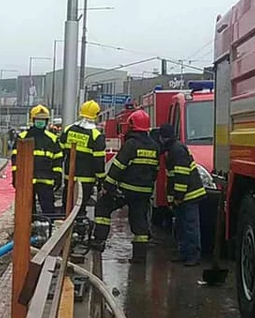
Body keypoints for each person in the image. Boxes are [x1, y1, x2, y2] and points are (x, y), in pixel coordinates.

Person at [91, 109, 159, 263]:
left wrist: (107, 187)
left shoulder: (131, 145)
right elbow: (156, 171)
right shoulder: (154, 147)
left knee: (103, 206)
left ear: (132, 126)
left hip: (125, 190)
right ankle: (140, 257)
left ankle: (99, 241)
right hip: (144, 192)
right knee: (140, 223)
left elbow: (117, 168)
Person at [158, 123, 207, 266]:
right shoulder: (172, 149)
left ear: (163, 137)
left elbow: (181, 175)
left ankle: (193, 255)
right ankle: (184, 253)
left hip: (189, 195)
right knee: (181, 226)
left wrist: (178, 197)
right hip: (183, 195)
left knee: (190, 226)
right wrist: (172, 199)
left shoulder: (177, 150)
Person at [11, 105, 62, 214]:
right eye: (38, 120)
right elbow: (15, 159)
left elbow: (57, 159)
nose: (41, 122)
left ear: (47, 121)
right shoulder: (23, 137)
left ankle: (49, 228)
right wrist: (15, 175)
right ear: (33, 120)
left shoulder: (52, 139)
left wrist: (58, 175)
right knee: (27, 211)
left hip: (46, 180)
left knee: (48, 210)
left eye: (43, 120)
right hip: (27, 180)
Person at [59, 100, 106, 213]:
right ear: (96, 115)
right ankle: (79, 227)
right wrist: (102, 179)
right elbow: (99, 161)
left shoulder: (68, 129)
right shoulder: (96, 136)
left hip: (69, 176)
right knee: (80, 208)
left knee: (67, 205)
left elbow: (60, 152)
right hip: (86, 179)